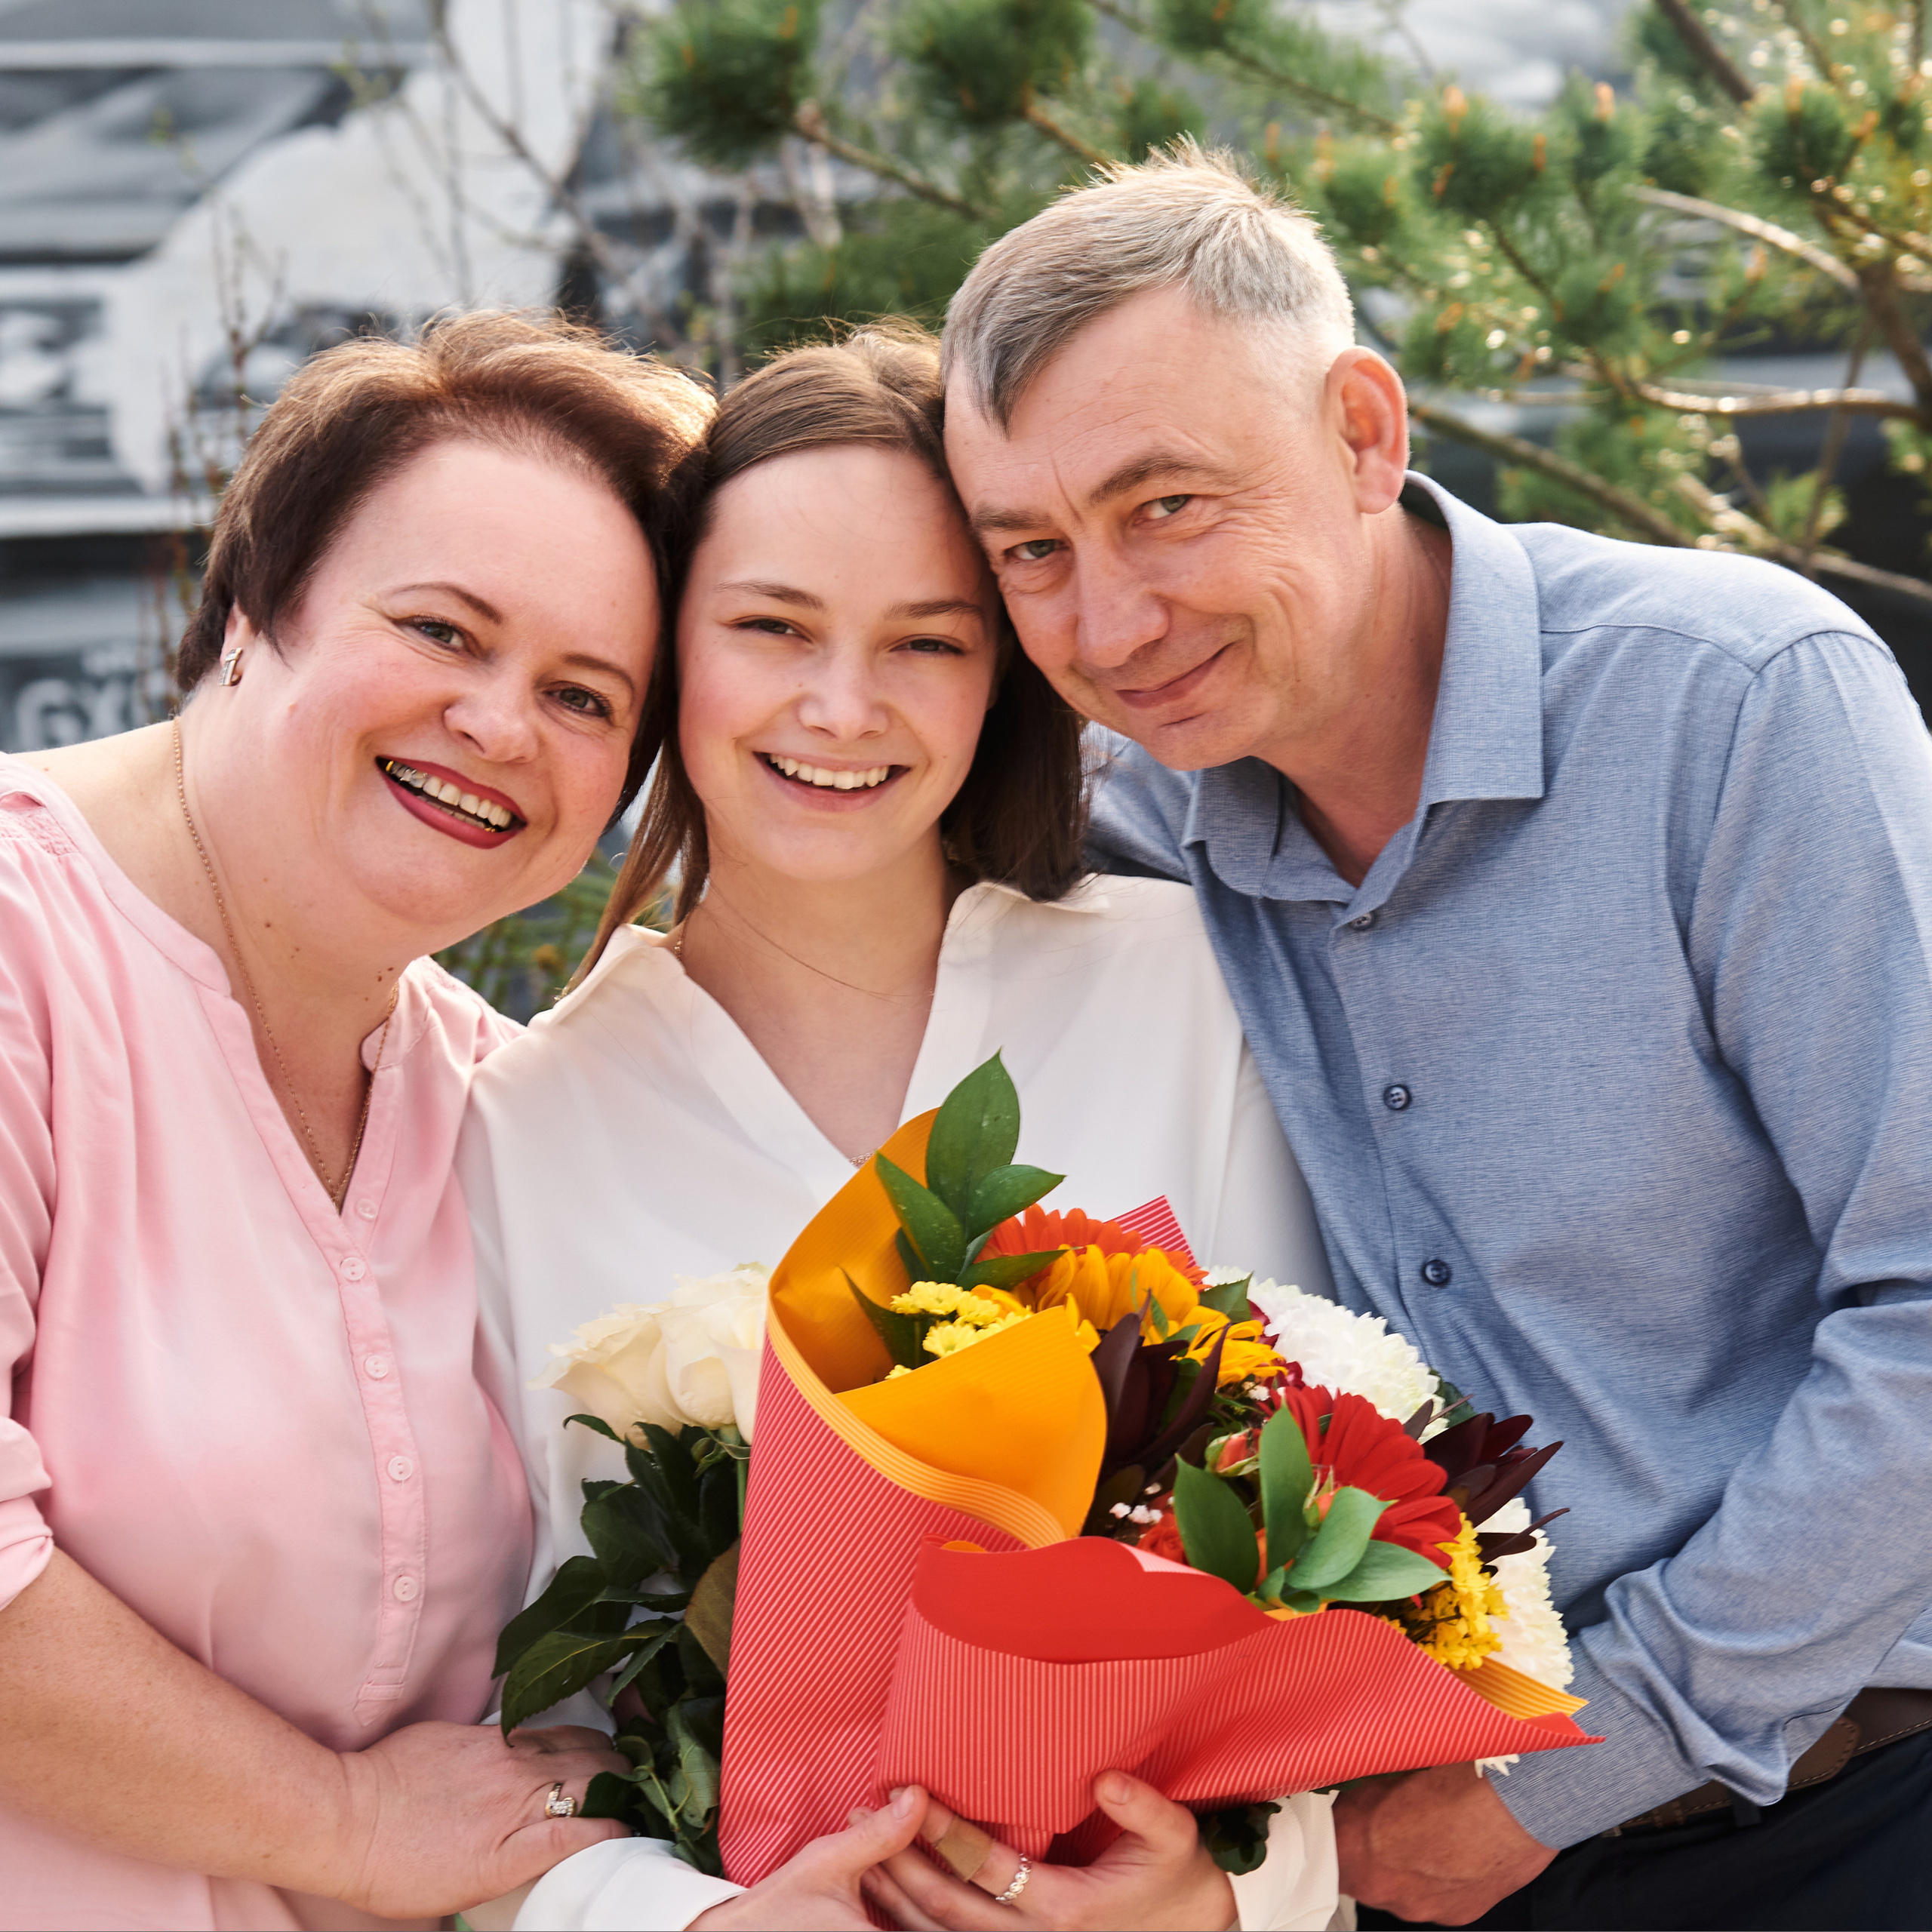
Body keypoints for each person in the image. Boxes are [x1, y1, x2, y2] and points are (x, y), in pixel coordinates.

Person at [936, 140, 1932, 1932]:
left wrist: (1563, 1772)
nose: (1108, 623)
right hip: (1397, 1865)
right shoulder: (1132, 826)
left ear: (1361, 433)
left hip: (1844, 1815)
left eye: (1164, 505)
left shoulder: (1735, 706)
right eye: (1032, 550)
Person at [460, 325, 1342, 1930]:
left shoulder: (1184, 993)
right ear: (671, 648)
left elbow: (1324, 1552)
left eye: (924, 641)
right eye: (770, 626)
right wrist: (700, 1922)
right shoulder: (515, 1119)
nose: (841, 705)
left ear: (1001, 666)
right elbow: (511, 1709)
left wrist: (1223, 1896)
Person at [0, 312, 715, 1930]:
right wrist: (342, 1818)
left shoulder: (492, 1096)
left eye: (586, 695)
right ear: (254, 604)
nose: (498, 722)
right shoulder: (22, 943)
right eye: (443, 629)